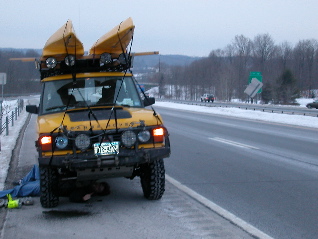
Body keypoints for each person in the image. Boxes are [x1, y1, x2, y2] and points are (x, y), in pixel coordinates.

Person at [0, 165, 110, 203]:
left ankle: (2, 194)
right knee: (36, 167)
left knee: (19, 190)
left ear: (97, 192)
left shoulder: (86, 192)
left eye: (99, 188)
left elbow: (72, 197)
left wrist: (82, 199)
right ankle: (23, 181)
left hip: (47, 187)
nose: (97, 186)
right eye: (100, 184)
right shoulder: (89, 180)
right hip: (50, 178)